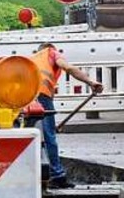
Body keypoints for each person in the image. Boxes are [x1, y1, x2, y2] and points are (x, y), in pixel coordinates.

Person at [31, 42, 104, 189]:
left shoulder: (32, 59)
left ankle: (37, 175)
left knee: (36, 136)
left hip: (25, 97)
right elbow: (68, 68)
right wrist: (91, 81)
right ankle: (57, 176)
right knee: (49, 137)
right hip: (41, 96)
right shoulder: (50, 52)